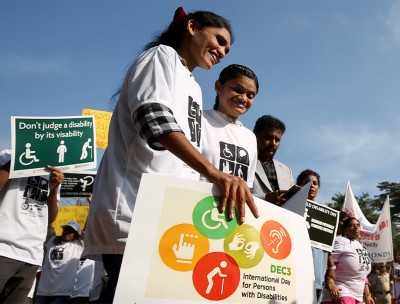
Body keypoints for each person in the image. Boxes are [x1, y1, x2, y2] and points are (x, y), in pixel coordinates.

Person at [82, 7, 259, 303]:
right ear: (191, 27)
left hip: (164, 219)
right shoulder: (160, 56)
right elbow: (154, 120)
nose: (222, 51)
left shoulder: (191, 83)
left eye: (227, 48)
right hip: (133, 211)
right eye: (218, 39)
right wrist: (214, 172)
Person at [0, 149, 63, 303]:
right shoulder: (8, 155)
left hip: (31, 255)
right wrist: (15, 162)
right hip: (4, 248)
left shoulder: (53, 169)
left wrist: (54, 190)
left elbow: (51, 218)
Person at [201, 64, 259, 187]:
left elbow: (246, 186)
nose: (243, 98)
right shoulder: (198, 119)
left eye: (250, 95)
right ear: (218, 86)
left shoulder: (250, 137)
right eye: (238, 90)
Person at [322, 217, 374, 304]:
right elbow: (327, 263)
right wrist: (330, 283)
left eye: (358, 225)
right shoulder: (340, 241)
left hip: (358, 295)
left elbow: (362, 273)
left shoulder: (361, 246)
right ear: (345, 229)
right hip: (342, 291)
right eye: (351, 226)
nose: (356, 227)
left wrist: (368, 295)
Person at [296, 169, 328, 303]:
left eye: (315, 183)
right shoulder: (289, 205)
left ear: (318, 188)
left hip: (317, 278)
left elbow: (328, 246)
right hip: (296, 272)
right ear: (299, 185)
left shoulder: (326, 215)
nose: (312, 186)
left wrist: (331, 270)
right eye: (307, 182)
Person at [35, 221, 83, 304]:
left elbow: (86, 232)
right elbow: (49, 225)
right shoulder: (52, 240)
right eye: (65, 230)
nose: (67, 232)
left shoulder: (78, 245)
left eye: (71, 231)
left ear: (76, 234)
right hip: (43, 291)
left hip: (62, 293)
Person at [251, 115, 294, 206]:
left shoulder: (286, 170)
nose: (273, 143)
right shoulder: (242, 161)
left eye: (277, 140)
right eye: (268, 138)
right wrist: (265, 198)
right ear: (254, 135)